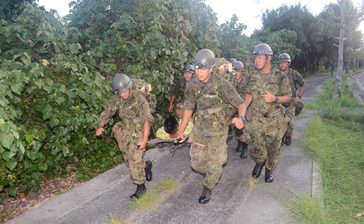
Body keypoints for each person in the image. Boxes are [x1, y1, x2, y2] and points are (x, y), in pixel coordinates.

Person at [176, 49, 246, 204]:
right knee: (196, 164)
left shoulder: (221, 84)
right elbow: (188, 107)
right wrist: (181, 130)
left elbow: (240, 103)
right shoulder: (192, 85)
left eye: (203, 69)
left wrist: (240, 118)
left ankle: (207, 187)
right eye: (197, 68)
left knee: (214, 164)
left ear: (211, 68)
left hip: (218, 130)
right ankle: (212, 171)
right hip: (200, 128)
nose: (199, 72)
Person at [96, 73, 153, 200]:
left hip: (139, 130)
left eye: (124, 91)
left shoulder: (139, 99)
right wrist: (100, 126)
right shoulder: (117, 99)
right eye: (119, 92)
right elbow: (107, 113)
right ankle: (146, 166)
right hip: (126, 130)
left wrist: (144, 140)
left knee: (134, 159)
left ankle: (140, 187)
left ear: (129, 87)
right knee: (128, 159)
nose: (123, 94)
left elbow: (147, 120)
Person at [242, 43, 292, 183]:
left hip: (274, 120)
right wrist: (243, 109)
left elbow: (288, 97)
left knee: (273, 149)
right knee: (255, 147)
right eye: (255, 58)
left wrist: (274, 98)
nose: (256, 60)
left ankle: (269, 169)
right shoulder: (252, 75)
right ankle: (260, 161)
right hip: (256, 119)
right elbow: (248, 95)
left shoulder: (279, 76)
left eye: (259, 57)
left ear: (268, 58)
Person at [278, 53, 305, 146]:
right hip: (279, 102)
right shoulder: (276, 74)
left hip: (290, 102)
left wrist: (299, 97)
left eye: (284, 62)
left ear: (288, 63)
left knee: (289, 122)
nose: (282, 64)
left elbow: (303, 85)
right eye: (280, 62)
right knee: (279, 121)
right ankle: (280, 137)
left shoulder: (294, 74)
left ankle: (288, 136)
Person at [232, 61, 249, 158]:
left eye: (237, 71)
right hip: (234, 107)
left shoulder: (246, 81)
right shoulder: (232, 80)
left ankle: (245, 148)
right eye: (234, 71)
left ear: (242, 71)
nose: (235, 73)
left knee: (244, 129)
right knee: (236, 128)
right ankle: (239, 143)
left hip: (244, 108)